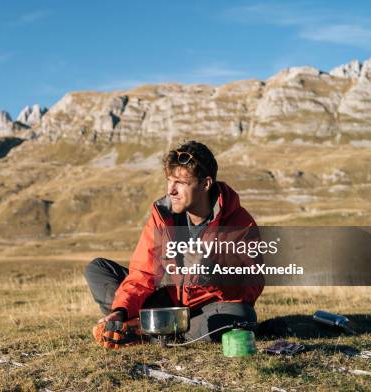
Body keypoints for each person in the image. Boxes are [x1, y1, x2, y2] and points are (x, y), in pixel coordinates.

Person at [85, 141, 264, 348]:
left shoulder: (239, 223)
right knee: (98, 269)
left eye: (180, 182)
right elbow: (143, 273)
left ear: (205, 184)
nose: (171, 190)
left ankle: (146, 331)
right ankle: (137, 324)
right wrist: (121, 310)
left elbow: (252, 286)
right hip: (167, 303)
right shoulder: (163, 215)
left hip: (206, 309)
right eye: (169, 181)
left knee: (241, 315)